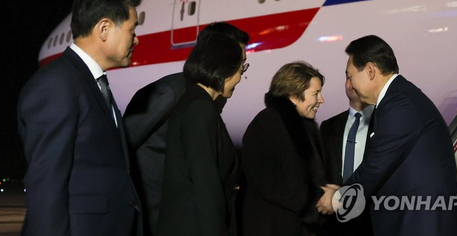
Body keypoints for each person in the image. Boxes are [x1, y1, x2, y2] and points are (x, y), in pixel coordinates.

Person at [17, 0, 143, 236]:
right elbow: (47, 186)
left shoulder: (91, 83)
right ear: (104, 29)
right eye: (132, 29)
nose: (136, 39)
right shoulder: (57, 85)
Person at [324, 35, 457, 236]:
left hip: (424, 224)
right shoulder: (397, 99)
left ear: (370, 70)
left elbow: (376, 164)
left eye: (350, 76)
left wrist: (339, 196)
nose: (350, 84)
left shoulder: (399, 104)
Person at [123, 22, 249, 236]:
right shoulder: (171, 94)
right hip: (161, 217)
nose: (240, 73)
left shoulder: (205, 100)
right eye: (238, 62)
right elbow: (121, 148)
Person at [155, 33, 247, 236]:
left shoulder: (194, 102)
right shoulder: (200, 108)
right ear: (224, 70)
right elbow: (205, 185)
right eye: (241, 69)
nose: (241, 78)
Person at [241, 61, 338, 236]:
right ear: (293, 95)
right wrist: (318, 201)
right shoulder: (266, 124)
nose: (321, 100)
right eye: (315, 93)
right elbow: (271, 182)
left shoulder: (303, 127)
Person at [319, 74, 374, 235]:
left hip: (370, 221)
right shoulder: (328, 126)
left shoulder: (385, 124)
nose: (351, 83)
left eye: (355, 77)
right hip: (333, 223)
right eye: (348, 77)